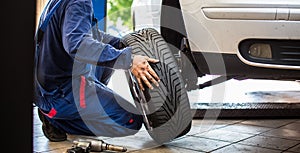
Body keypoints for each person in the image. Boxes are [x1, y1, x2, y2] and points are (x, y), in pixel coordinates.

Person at [34, 0, 160, 142]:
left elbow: (91, 35)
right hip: (62, 92)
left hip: (47, 87)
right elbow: (77, 44)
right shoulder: (79, 2)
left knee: (106, 57)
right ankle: (59, 121)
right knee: (131, 122)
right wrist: (129, 61)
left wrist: (121, 44)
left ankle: (77, 108)